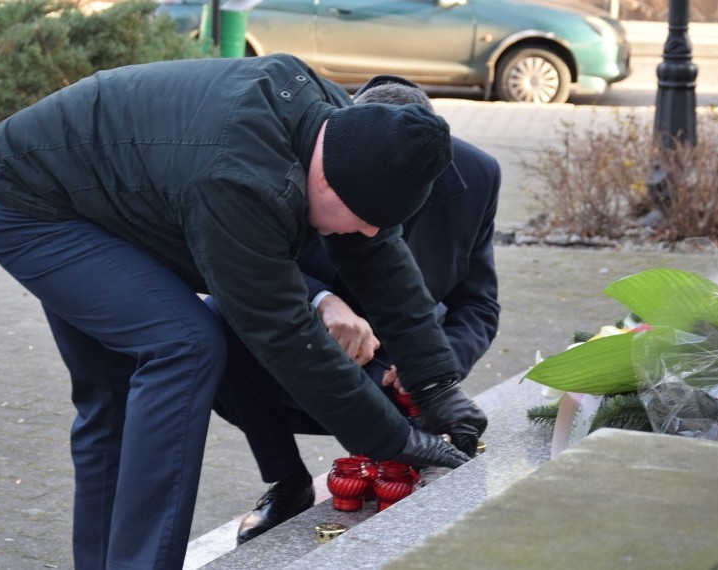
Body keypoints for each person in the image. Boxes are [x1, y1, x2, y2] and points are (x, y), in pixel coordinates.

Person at [0, 54, 485, 569]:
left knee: (118, 403)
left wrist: (435, 382)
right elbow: (286, 336)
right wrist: (394, 438)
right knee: (184, 346)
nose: (370, 233)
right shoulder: (240, 180)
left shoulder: (342, 130)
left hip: (105, 188)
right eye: (366, 220)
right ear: (327, 183)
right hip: (31, 203)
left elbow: (381, 255)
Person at [207, 75, 500, 544]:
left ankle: (395, 475)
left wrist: (435, 374)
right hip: (301, 345)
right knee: (212, 321)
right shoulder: (302, 159)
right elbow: (242, 262)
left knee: (405, 460)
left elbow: (479, 303)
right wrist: (321, 298)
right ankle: (288, 482)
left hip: (397, 368)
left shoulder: (478, 176)